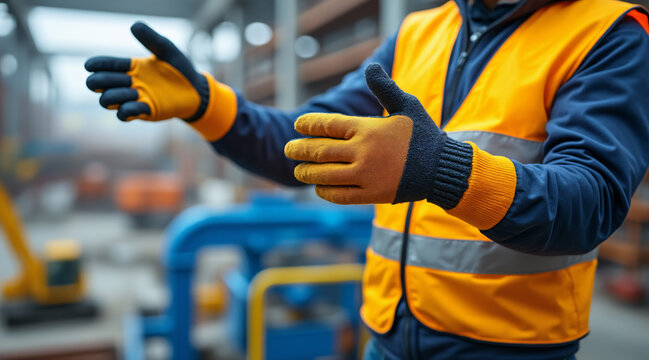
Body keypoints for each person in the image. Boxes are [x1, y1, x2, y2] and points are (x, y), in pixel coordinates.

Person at [85, 0, 649, 359]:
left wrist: (441, 170)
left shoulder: (606, 32)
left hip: (508, 347)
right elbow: (304, 143)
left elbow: (590, 202)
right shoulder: (419, 34)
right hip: (386, 333)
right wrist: (210, 106)